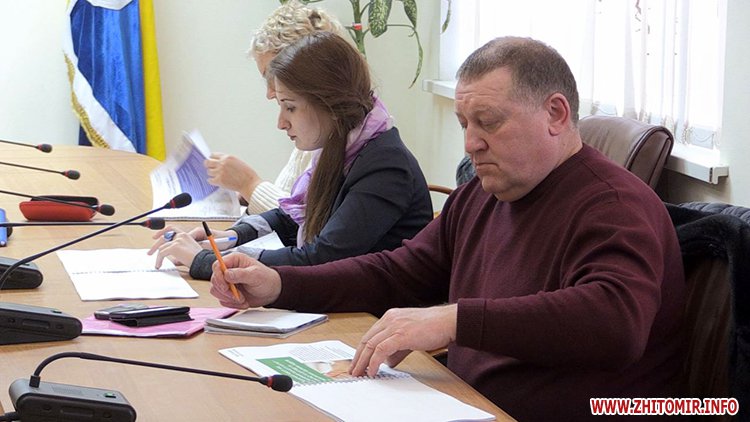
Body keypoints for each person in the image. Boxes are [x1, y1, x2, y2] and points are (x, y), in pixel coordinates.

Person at [207, 37, 687, 421]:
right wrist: (280, 283)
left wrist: (452, 320)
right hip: (461, 402)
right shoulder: (483, 193)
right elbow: (399, 272)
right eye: (463, 124)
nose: (470, 143)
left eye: (488, 122)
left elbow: (615, 321)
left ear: (556, 114)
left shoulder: (614, 204)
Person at [150, 32, 432, 281]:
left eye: (290, 107)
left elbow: (321, 259)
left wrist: (207, 261)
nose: (281, 122)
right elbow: (293, 217)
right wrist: (229, 238)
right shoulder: (342, 146)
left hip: (372, 316)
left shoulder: (385, 166)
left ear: (329, 104)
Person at [204, 1, 343, 215]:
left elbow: (305, 223)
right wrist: (246, 197)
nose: (270, 92)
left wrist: (249, 184)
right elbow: (290, 201)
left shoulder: (337, 135)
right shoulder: (310, 129)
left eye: (273, 76)